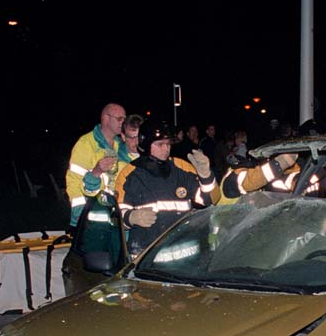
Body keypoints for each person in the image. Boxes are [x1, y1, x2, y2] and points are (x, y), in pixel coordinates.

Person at [115, 122, 221, 258]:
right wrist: (130, 217)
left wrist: (206, 176)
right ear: (145, 144)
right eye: (160, 144)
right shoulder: (129, 175)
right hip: (146, 257)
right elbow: (117, 215)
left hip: (184, 253)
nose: (166, 149)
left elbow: (211, 199)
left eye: (168, 144)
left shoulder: (181, 167)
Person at [64, 103, 130, 261]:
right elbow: (74, 182)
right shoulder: (86, 144)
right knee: (96, 266)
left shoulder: (121, 146)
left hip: (118, 219)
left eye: (125, 119)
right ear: (106, 119)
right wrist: (80, 219)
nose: (123, 122)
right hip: (93, 220)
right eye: (120, 118)